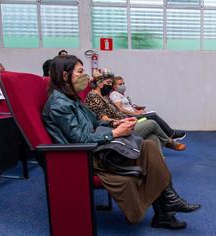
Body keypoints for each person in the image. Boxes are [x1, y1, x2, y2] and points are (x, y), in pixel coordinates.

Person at [42, 55, 200, 229]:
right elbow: (79, 139)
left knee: (149, 144)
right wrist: (114, 133)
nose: (85, 76)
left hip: (95, 148)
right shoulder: (59, 104)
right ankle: (167, 206)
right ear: (65, 76)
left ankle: (167, 207)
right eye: (80, 71)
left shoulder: (71, 98)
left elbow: (94, 121)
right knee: (148, 148)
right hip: (85, 157)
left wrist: (114, 123)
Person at [84, 69, 186, 156]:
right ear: (100, 83)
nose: (111, 86)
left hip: (125, 122)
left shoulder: (105, 96)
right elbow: (104, 119)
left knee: (152, 137)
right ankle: (170, 142)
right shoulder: (93, 96)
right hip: (116, 129)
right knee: (152, 123)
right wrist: (121, 121)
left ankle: (158, 164)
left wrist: (126, 118)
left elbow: (116, 111)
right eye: (109, 83)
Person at [110, 76, 186, 140]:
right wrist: (135, 113)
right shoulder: (115, 95)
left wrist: (137, 110)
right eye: (120, 84)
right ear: (114, 86)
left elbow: (127, 107)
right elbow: (120, 109)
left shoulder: (120, 95)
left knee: (152, 114)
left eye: (123, 83)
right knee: (153, 115)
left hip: (133, 114)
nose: (123, 85)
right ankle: (171, 134)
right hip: (130, 117)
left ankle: (168, 136)